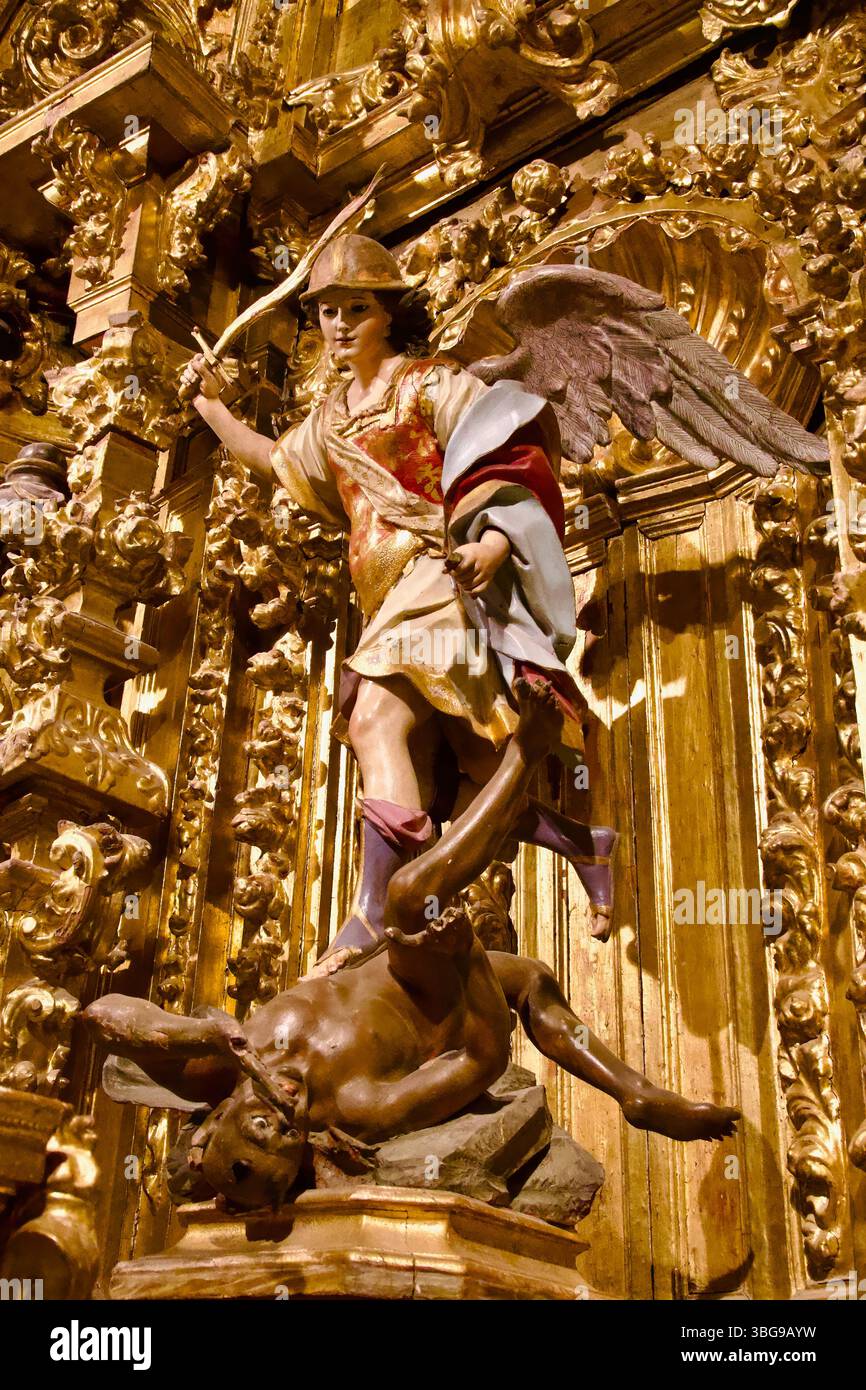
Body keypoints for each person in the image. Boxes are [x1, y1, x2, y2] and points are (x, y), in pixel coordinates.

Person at [83, 679, 738, 1213]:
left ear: (208, 1137)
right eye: (290, 1135)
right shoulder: (359, 1109)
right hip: (442, 1001)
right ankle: (527, 754)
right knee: (412, 895)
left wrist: (193, 1035)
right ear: (312, 1150)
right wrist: (466, 959)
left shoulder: (224, 1066)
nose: (279, 1117)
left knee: (532, 980)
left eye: (260, 1125)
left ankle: (634, 1092)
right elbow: (482, 1060)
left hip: (394, 961)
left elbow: (105, 1017)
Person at [180, 233, 617, 963]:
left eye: (357, 308)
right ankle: (583, 843)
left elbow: (510, 454)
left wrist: (493, 545)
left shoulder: (430, 385)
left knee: (374, 720)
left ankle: (372, 911)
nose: (340, 326)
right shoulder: (330, 421)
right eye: (326, 313)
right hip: (388, 601)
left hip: (440, 580)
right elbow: (274, 460)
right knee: (477, 781)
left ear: (387, 313)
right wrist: (213, 409)